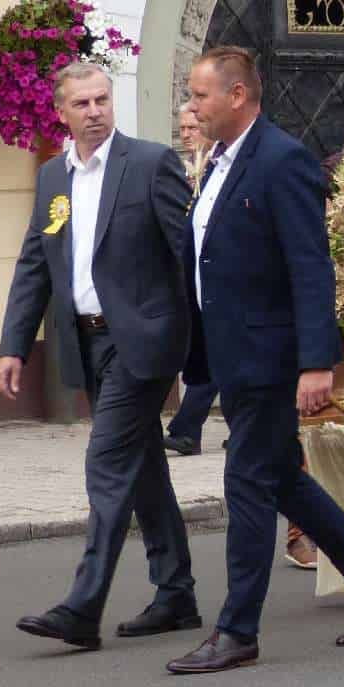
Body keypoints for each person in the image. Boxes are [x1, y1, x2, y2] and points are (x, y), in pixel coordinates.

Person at [166, 48, 344, 674]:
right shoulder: (217, 161)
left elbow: (310, 266)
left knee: (246, 482)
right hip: (232, 352)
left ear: (238, 95)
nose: (192, 106)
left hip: (270, 356)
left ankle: (237, 630)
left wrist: (317, 363)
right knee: (279, 475)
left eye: (201, 95)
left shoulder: (281, 160)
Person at [0, 61, 201, 652]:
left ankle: (83, 607)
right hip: (87, 342)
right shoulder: (52, 178)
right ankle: (176, 593)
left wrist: (197, 333)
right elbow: (35, 265)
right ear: (61, 112)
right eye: (82, 104)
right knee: (143, 466)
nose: (94, 112)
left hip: (142, 342)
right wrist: (13, 347)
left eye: (101, 100)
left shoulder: (149, 163)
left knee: (107, 462)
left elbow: (187, 251)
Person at [163, 107, 215, 459]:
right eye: (181, 128)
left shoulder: (217, 167)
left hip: (217, 274)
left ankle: (185, 430)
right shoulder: (182, 169)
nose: (185, 134)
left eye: (192, 127)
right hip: (190, 273)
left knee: (215, 356)